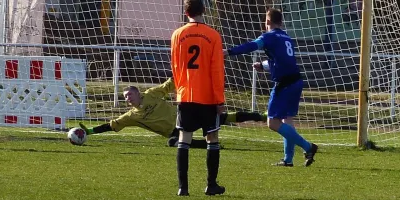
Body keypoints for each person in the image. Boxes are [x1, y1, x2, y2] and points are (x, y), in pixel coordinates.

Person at [224, 8, 318, 167]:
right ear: (281, 22)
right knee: (287, 119)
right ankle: (288, 160)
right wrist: (263, 65)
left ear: (267, 22)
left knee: (272, 123)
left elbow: (252, 45)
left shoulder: (268, 36)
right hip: (296, 81)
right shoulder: (286, 37)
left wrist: (229, 51)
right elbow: (281, 60)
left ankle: (308, 147)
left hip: (284, 84)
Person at [78, 78, 266, 149]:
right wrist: (90, 131)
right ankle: (209, 145)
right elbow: (112, 125)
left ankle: (262, 116)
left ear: (137, 92)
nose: (128, 98)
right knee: (173, 142)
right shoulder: (131, 116)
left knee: (225, 117)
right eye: (125, 97)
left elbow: (169, 85)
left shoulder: (151, 94)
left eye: (130, 94)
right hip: (175, 132)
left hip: (185, 117)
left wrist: (183, 74)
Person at [171, 0, 226, 196]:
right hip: (208, 97)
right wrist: (220, 100)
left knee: (184, 138)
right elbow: (217, 70)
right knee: (212, 138)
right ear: (204, 10)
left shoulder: (177, 34)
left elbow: (175, 66)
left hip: (186, 94)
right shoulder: (213, 35)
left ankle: (182, 188)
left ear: (186, 13)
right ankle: (211, 185)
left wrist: (180, 89)